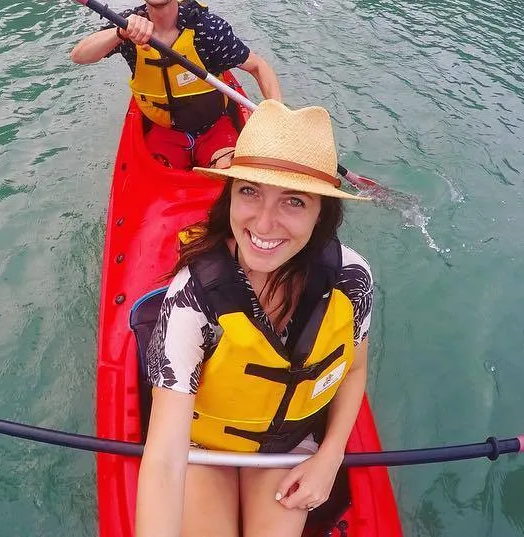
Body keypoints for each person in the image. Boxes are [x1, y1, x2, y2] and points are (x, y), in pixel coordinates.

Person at [136, 100, 374, 537]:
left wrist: (330, 456)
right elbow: (165, 460)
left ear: (322, 212)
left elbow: (354, 369)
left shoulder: (352, 279)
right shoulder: (193, 297)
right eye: (249, 191)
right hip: (201, 447)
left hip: (287, 445)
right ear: (229, 194)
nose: (264, 224)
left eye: (293, 201)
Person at [69, 0, 281, 170]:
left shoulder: (207, 28)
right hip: (164, 133)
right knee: (157, 176)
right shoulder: (129, 26)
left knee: (228, 171)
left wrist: (277, 116)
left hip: (214, 129)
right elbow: (79, 56)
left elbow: (258, 66)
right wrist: (120, 33)